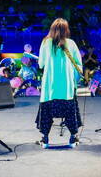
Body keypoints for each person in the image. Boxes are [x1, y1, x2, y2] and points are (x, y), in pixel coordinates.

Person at [36, 18, 82, 148]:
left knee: (46, 112)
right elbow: (78, 65)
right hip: (66, 89)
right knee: (70, 111)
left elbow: (41, 64)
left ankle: (45, 139)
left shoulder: (46, 43)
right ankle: (73, 138)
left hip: (50, 88)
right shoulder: (71, 43)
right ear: (66, 30)